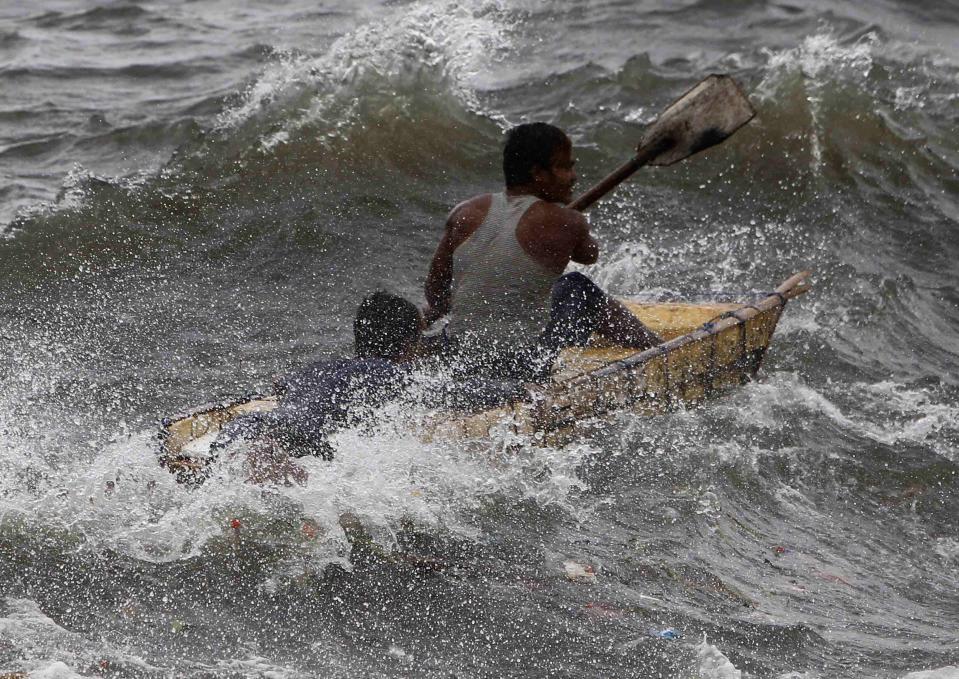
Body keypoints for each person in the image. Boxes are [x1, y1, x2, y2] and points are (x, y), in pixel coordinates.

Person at [424, 122, 661, 381]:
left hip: (457, 356)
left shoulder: (465, 212)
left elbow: (435, 291)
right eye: (565, 167)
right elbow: (589, 254)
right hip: (521, 364)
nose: (573, 176)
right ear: (538, 173)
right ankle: (658, 352)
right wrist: (569, 215)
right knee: (578, 287)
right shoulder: (568, 222)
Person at [212, 291, 526, 484]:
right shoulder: (387, 375)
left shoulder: (319, 368)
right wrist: (514, 390)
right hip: (302, 440)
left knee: (255, 461)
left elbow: (280, 385)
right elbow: (450, 395)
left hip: (252, 427)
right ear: (407, 346)